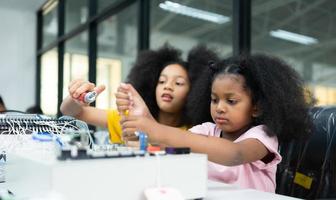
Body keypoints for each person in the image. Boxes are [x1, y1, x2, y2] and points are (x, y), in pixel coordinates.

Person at [116, 54, 313, 192]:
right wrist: (143, 120)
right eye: (214, 99)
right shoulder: (207, 130)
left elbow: (234, 154)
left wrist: (156, 130)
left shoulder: (262, 136)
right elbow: (171, 142)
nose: (219, 107)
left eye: (231, 101)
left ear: (257, 107)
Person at [60, 44, 219, 143]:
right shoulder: (130, 120)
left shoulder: (197, 133)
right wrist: (76, 99)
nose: (167, 87)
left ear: (195, 93)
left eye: (178, 83)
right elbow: (70, 112)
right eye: (161, 81)